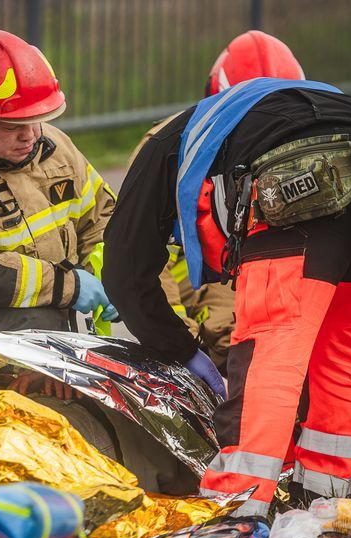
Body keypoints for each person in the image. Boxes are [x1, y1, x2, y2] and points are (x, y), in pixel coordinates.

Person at [104, 78, 351, 517]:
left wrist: (183, 352)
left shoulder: (164, 146)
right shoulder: (261, 113)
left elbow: (124, 273)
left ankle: (235, 513)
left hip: (303, 184)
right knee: (344, 352)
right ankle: (324, 508)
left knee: (270, 350)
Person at [133, 30, 306, 373]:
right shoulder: (168, 149)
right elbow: (144, 258)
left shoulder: (311, 139)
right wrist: (176, 346)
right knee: (239, 344)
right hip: (208, 276)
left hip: (279, 272)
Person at [0, 29, 118, 332]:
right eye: (12, 126)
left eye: (37, 118)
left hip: (62, 319)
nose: (32, 135)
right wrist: (69, 286)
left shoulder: (57, 147)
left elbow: (103, 218)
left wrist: (114, 278)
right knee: (40, 321)